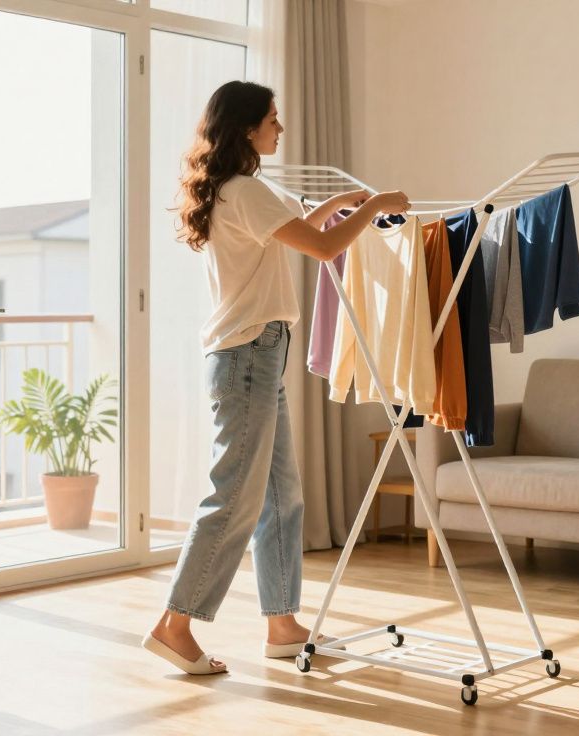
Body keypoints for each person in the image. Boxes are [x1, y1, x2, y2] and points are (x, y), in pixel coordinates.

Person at [142, 80, 410, 675]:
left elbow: (290, 237)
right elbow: (320, 249)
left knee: (281, 496)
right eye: (272, 120)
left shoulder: (235, 193)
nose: (280, 129)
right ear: (246, 129)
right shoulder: (246, 190)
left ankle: (283, 625)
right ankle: (174, 625)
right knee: (233, 497)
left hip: (257, 354)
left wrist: (335, 204)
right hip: (248, 358)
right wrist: (371, 206)